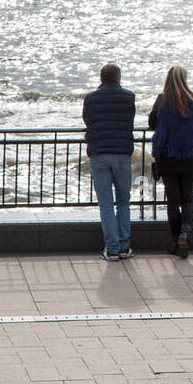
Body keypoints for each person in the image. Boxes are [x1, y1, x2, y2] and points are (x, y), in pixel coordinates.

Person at [82, 63, 136, 261]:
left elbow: (87, 120)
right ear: (118, 78)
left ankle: (112, 249)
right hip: (122, 153)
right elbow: (128, 121)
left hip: (99, 153)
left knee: (105, 203)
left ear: (101, 78)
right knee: (123, 201)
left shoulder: (90, 98)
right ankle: (124, 246)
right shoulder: (129, 97)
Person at [150, 66, 193, 258]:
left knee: (173, 201)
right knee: (188, 199)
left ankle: (175, 242)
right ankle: (185, 233)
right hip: (189, 156)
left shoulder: (162, 100)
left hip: (168, 157)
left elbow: (153, 124)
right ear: (184, 78)